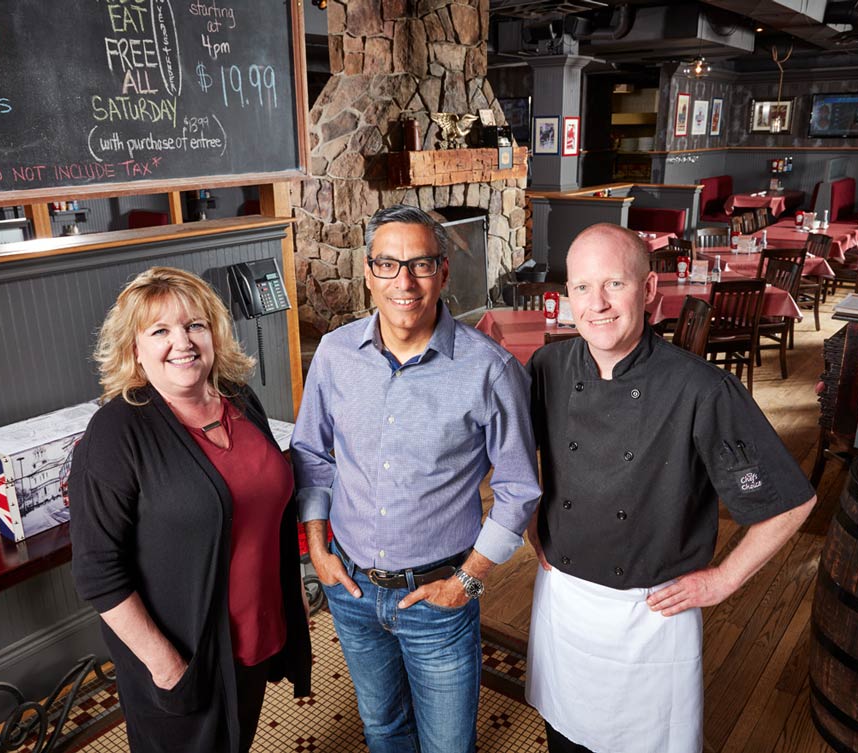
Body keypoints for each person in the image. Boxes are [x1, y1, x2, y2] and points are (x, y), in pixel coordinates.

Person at [524, 224, 816, 753]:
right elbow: (519, 457)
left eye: (615, 284)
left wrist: (724, 579)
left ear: (650, 290)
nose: (598, 303)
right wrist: (530, 521)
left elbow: (790, 502)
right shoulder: (548, 367)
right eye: (583, 287)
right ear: (567, 295)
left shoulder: (701, 389)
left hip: (649, 618)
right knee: (562, 739)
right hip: (564, 603)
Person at [291, 205, 541, 753]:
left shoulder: (490, 369)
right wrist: (318, 551)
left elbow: (520, 487)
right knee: (383, 730)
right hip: (351, 591)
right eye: (387, 264)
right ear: (367, 272)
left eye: (421, 265)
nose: (403, 282)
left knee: (448, 746)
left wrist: (468, 581)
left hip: (439, 598)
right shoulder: (334, 355)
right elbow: (311, 452)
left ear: (444, 273)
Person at [70, 267, 312, 753]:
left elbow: (268, 512)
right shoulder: (116, 433)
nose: (182, 342)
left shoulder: (240, 399)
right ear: (134, 348)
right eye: (160, 331)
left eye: (194, 326)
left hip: (254, 635)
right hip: (184, 658)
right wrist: (166, 666)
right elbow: (98, 572)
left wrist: (292, 596)